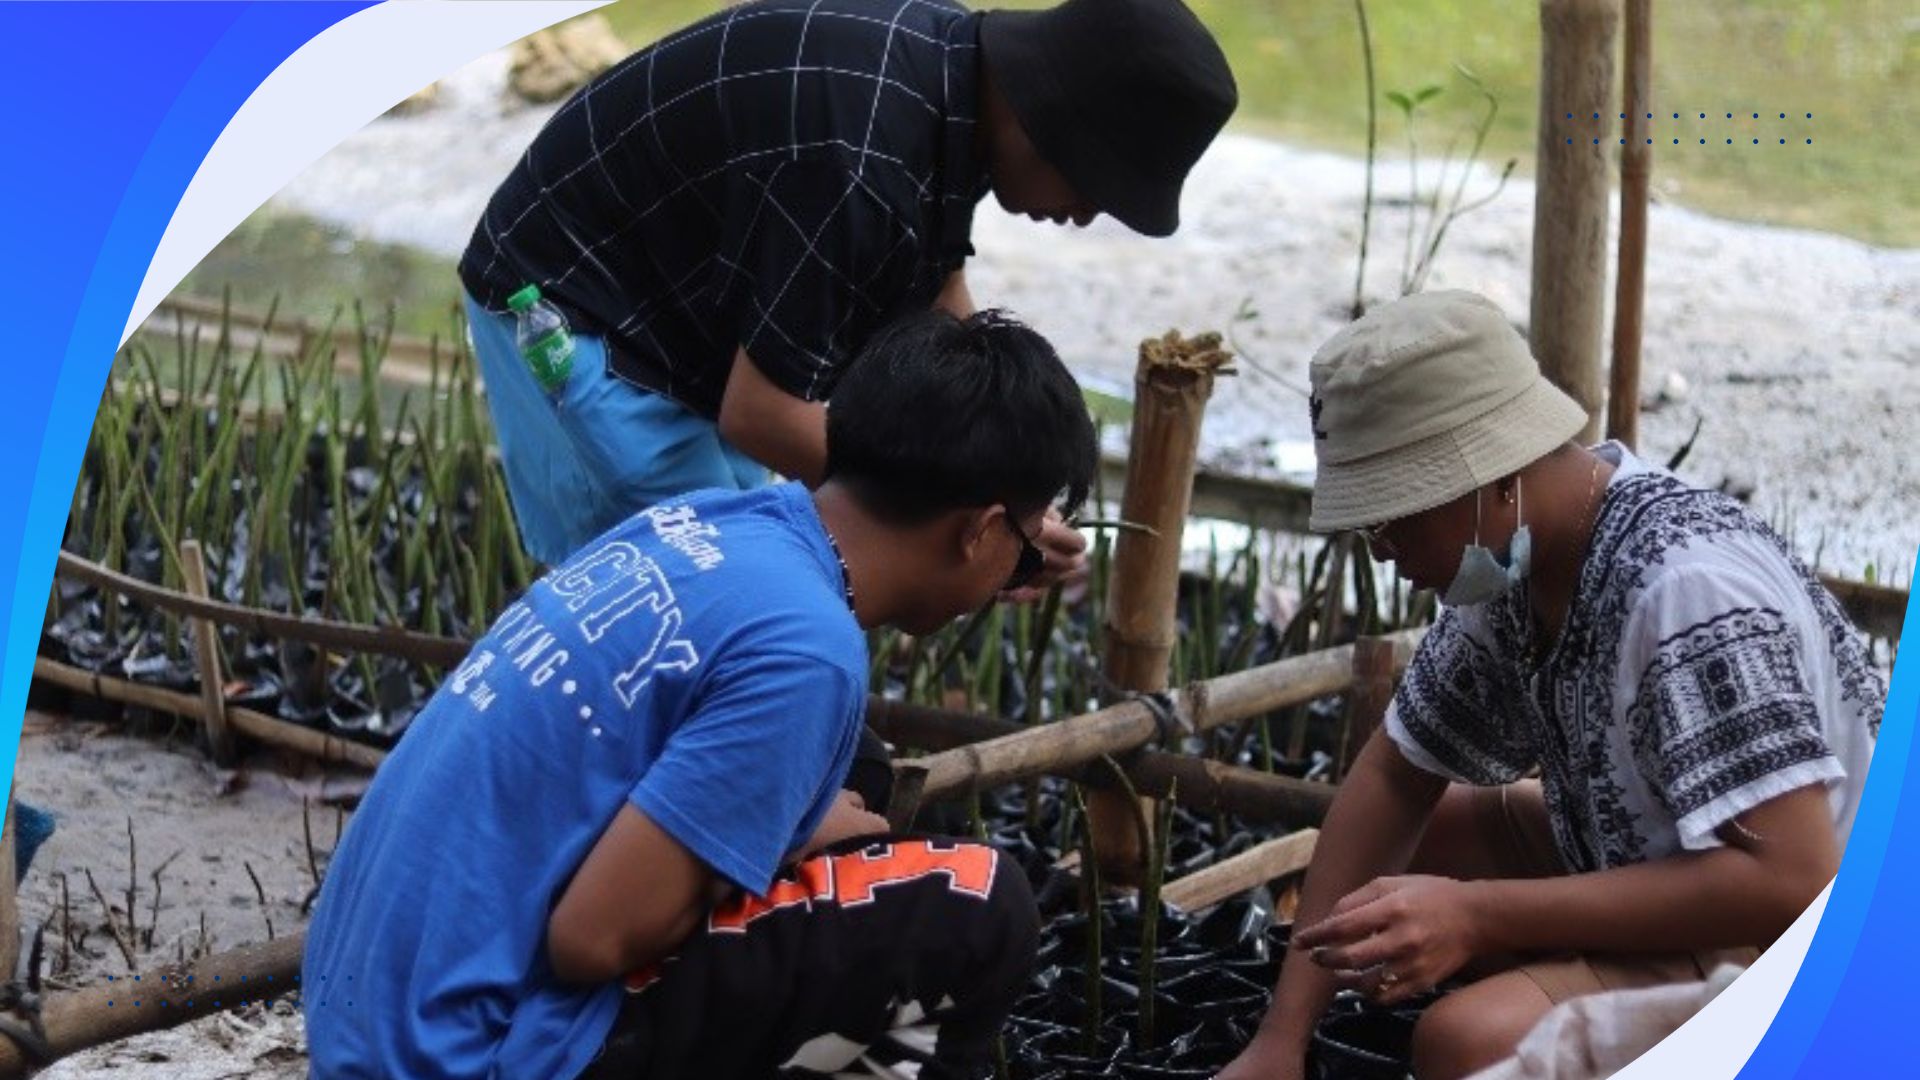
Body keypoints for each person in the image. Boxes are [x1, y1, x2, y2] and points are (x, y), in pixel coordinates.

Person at [303, 310, 1099, 1079]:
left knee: (857, 765)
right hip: (470, 1051)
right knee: (979, 909)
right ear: (981, 532)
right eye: (1026, 554)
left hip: (373, 1020)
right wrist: (789, 838)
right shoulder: (807, 652)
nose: (1016, 578)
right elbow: (591, 940)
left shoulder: (710, 520)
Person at [1218, 291, 1884, 1080]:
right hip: (1670, 851)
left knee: (1466, 1042)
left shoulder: (1688, 592)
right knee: (1415, 844)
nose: (1383, 549)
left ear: (1496, 478)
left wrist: (1481, 917)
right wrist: (1281, 1039)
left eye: (1395, 514)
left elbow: (1793, 877)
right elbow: (1399, 772)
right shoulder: (1516, 561)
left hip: (1827, 936)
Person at [457, 0, 1236, 571]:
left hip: (686, 311)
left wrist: (1009, 486)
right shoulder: (859, 160)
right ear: (1047, 120)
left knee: (748, 557)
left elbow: (939, 305)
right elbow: (762, 414)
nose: (1089, 211)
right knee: (692, 590)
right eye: (1099, 184)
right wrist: (953, 513)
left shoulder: (950, 75)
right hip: (572, 302)